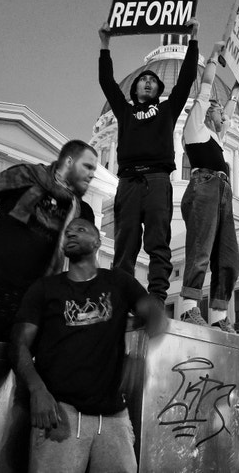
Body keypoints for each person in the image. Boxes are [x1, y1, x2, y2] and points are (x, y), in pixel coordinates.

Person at [10, 217, 165, 473]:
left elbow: (156, 315)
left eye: (80, 230)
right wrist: (37, 390)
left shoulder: (118, 281)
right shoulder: (45, 288)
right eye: (67, 232)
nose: (70, 234)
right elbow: (18, 344)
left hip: (115, 417)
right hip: (60, 413)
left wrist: (140, 358)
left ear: (97, 241)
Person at [98, 17, 200, 303]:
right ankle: (121, 295)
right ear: (134, 89)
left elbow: (187, 78)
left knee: (158, 240)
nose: (146, 82)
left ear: (158, 90)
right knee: (125, 243)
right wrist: (105, 45)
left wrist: (193, 39)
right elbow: (107, 82)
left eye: (152, 81)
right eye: (143, 79)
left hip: (156, 179)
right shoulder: (124, 112)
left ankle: (156, 295)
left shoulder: (168, 110)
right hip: (128, 180)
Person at [0, 140, 97, 342]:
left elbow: (85, 261)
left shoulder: (83, 212)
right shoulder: (24, 176)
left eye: (94, 169)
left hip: (29, 302)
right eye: (87, 166)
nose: (91, 174)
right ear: (69, 161)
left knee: (9, 363)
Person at [179, 40, 239, 333]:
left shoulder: (218, 140)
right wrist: (213, 59)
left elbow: (229, 117)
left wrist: (235, 91)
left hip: (222, 193)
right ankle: (187, 309)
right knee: (201, 249)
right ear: (209, 113)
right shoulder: (196, 126)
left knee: (229, 256)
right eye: (219, 111)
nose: (224, 116)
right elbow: (205, 90)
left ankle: (219, 316)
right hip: (203, 187)